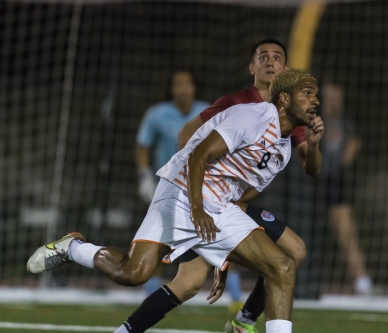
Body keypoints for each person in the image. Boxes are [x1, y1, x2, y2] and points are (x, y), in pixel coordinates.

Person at [27, 68, 322, 333]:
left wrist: (224, 254)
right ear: (284, 99)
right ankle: (73, 248)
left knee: (283, 266)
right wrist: (196, 209)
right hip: (180, 191)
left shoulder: (283, 149)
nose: (315, 101)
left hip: (219, 206)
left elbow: (245, 194)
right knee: (133, 274)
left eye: (315, 94)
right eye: (307, 93)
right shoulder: (251, 116)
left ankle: (242, 323)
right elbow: (198, 156)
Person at [115, 39, 324, 333]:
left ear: (286, 69)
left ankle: (245, 320)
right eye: (262, 57)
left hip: (237, 202)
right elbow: (188, 137)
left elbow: (310, 168)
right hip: (201, 195)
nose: (270, 62)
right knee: (181, 282)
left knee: (293, 255)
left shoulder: (293, 118)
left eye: (277, 57)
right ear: (252, 67)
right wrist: (194, 191)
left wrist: (313, 147)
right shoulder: (239, 104)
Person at [135, 70, 210, 295]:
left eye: (187, 84)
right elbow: (142, 145)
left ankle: (235, 298)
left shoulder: (208, 112)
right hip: (166, 187)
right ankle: (150, 292)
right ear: (171, 88)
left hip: (202, 187)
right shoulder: (157, 114)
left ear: (194, 87)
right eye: (178, 84)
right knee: (160, 239)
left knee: (221, 235)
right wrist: (144, 176)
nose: (183, 89)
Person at [320, 82, 372, 295]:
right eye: (330, 96)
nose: (334, 100)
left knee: (347, 231)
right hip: (308, 184)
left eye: (337, 96)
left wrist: (342, 162)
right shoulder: (310, 119)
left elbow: (354, 141)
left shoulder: (344, 123)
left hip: (334, 182)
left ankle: (362, 281)